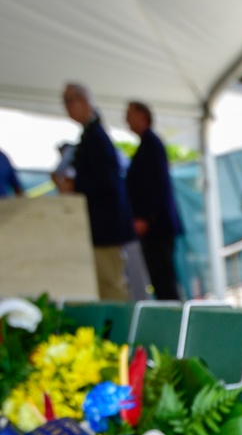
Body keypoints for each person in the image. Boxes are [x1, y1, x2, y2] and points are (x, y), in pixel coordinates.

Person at [54, 83, 134, 301]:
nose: (67, 107)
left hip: (106, 228)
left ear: (84, 102)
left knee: (112, 282)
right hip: (100, 228)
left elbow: (106, 181)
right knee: (106, 283)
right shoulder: (91, 135)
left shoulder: (96, 136)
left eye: (69, 101)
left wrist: (75, 184)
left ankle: (123, 333)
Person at [124, 101, 183, 300]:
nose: (126, 119)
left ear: (142, 116)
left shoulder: (152, 145)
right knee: (160, 279)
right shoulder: (147, 145)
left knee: (164, 279)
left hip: (157, 226)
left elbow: (155, 186)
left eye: (130, 114)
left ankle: (175, 323)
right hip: (155, 225)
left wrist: (145, 217)